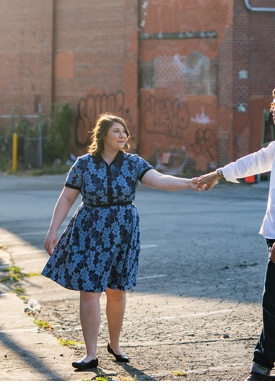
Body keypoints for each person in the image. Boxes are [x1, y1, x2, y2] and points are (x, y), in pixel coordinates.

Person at [191, 83, 275, 381]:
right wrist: (218, 174)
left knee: (273, 300)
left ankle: (261, 368)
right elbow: (256, 160)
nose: (271, 109)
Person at [41, 113, 195, 370]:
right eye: (116, 131)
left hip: (123, 230)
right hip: (90, 230)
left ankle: (115, 344)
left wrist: (189, 183)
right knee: (90, 291)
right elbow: (67, 198)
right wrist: (52, 230)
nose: (123, 135)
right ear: (102, 136)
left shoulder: (133, 163)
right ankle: (90, 354)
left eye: (124, 131)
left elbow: (159, 180)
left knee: (117, 290)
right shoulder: (83, 164)